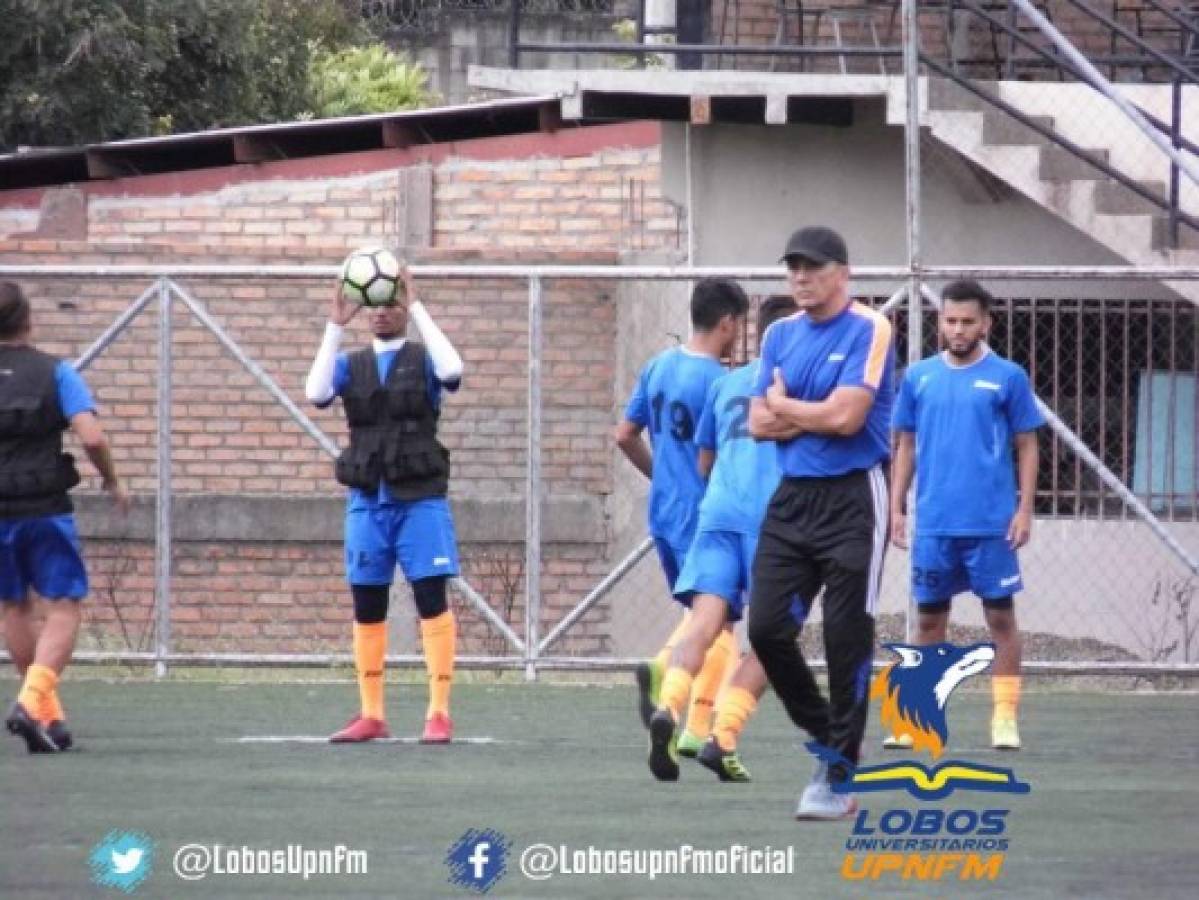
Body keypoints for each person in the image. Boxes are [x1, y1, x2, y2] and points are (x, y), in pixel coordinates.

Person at [747, 226, 894, 820]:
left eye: (811, 268)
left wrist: (787, 406)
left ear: (842, 272)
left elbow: (848, 418)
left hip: (855, 498)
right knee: (765, 631)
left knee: (843, 635)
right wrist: (796, 412)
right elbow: (756, 423)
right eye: (793, 269)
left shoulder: (871, 328)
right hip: (792, 500)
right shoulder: (780, 334)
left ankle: (837, 775)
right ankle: (828, 737)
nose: (800, 278)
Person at [306, 264, 464, 744]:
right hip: (367, 502)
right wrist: (334, 323)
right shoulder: (349, 364)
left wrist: (417, 304)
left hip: (420, 501)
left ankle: (438, 712)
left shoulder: (424, 358)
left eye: (391, 302)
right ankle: (371, 713)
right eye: (373, 304)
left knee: (431, 600)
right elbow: (315, 393)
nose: (381, 312)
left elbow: (453, 370)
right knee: (367, 603)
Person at [647, 295, 798, 784]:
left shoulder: (728, 380)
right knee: (774, 640)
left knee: (703, 622)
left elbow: (705, 460)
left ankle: (668, 705)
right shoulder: (807, 389)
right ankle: (723, 737)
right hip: (774, 521)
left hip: (718, 513)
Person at [888, 279, 1043, 752]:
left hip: (991, 525)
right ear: (941, 324)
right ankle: (914, 719)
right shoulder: (918, 377)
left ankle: (1004, 719)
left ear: (985, 323)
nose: (957, 330)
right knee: (928, 624)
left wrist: (1024, 508)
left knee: (1000, 622)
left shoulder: (1008, 377)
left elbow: (1027, 444)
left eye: (967, 321)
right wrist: (897, 507)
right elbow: (906, 444)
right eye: (950, 321)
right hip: (935, 524)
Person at [615, 279, 748, 744]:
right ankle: (696, 727)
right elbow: (719, 457)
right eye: (740, 325)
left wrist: (660, 478)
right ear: (727, 322)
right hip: (703, 515)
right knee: (719, 620)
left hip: (663, 513)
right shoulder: (720, 382)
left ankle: (678, 713)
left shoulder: (657, 367)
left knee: (699, 618)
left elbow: (625, 434)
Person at [1, 281, 129, 753]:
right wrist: (113, 480)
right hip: (44, 507)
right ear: (29, 320)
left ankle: (49, 718)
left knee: (12, 606)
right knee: (63, 606)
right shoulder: (55, 372)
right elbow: (92, 437)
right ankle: (31, 702)